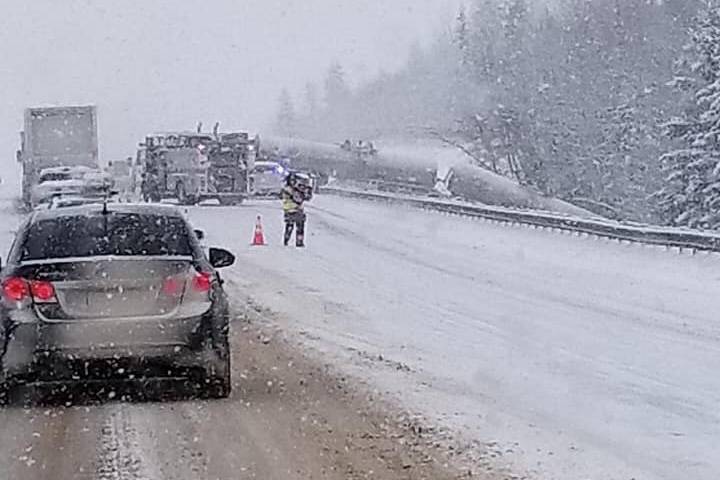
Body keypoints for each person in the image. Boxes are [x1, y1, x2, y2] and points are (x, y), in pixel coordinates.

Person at [281, 172, 313, 247]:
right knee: (292, 226)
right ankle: (289, 240)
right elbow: (298, 199)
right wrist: (302, 192)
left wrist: (307, 191)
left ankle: (297, 241)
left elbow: (306, 198)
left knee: (298, 226)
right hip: (291, 210)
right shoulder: (288, 190)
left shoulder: (294, 189)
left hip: (296, 210)